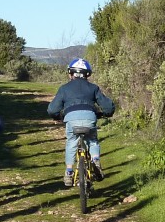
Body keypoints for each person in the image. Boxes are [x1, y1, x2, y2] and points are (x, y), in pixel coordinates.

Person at [47, 58, 115, 187]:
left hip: (71, 119)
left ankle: (69, 171)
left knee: (71, 142)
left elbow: (52, 109)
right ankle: (95, 161)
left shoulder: (64, 88)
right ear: (87, 74)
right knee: (93, 140)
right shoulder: (93, 88)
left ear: (70, 73)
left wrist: (57, 116)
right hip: (90, 118)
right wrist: (105, 114)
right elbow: (108, 107)